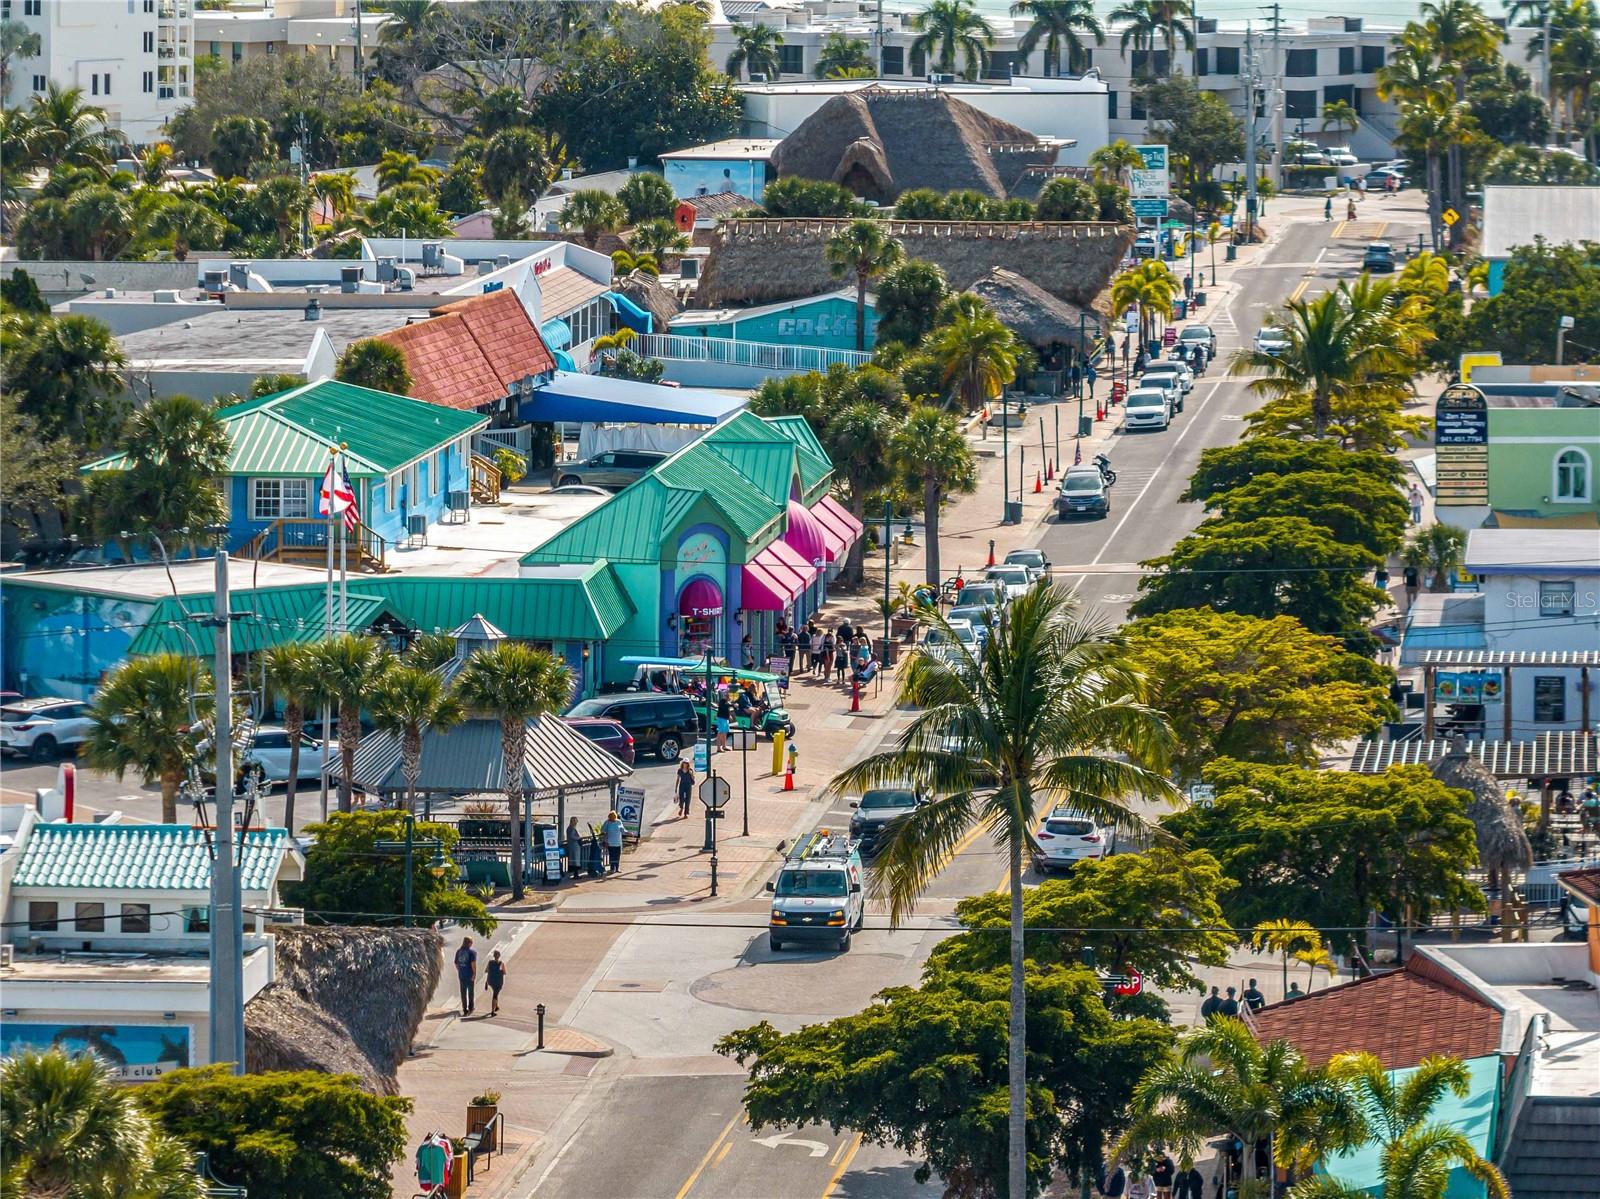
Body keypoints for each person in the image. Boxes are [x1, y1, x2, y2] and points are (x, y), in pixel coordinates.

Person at [453, 936, 478, 1017]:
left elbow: (456, 963)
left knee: (463, 992)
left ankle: (464, 1009)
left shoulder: (458, 951)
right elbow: (473, 964)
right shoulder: (472, 953)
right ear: (469, 943)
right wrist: (474, 973)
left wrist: (460, 970)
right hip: (469, 975)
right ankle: (471, 1007)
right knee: (470, 992)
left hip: (462, 975)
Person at [601, 810, 624, 874]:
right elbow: (602, 830)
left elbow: (622, 829)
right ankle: (612, 869)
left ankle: (617, 868)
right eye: (610, 818)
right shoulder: (607, 822)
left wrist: (628, 832)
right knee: (612, 856)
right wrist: (605, 835)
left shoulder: (619, 822)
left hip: (618, 842)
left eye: (613, 818)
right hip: (610, 843)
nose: (612, 819)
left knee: (617, 856)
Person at [485, 949, 505, 1016]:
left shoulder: (490, 962)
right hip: (498, 982)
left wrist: (486, 982)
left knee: (495, 993)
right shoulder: (501, 963)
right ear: (499, 956)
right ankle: (492, 1011)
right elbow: (504, 972)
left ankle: (496, 1006)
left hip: (490, 981)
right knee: (495, 995)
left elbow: (486, 971)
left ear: (493, 956)